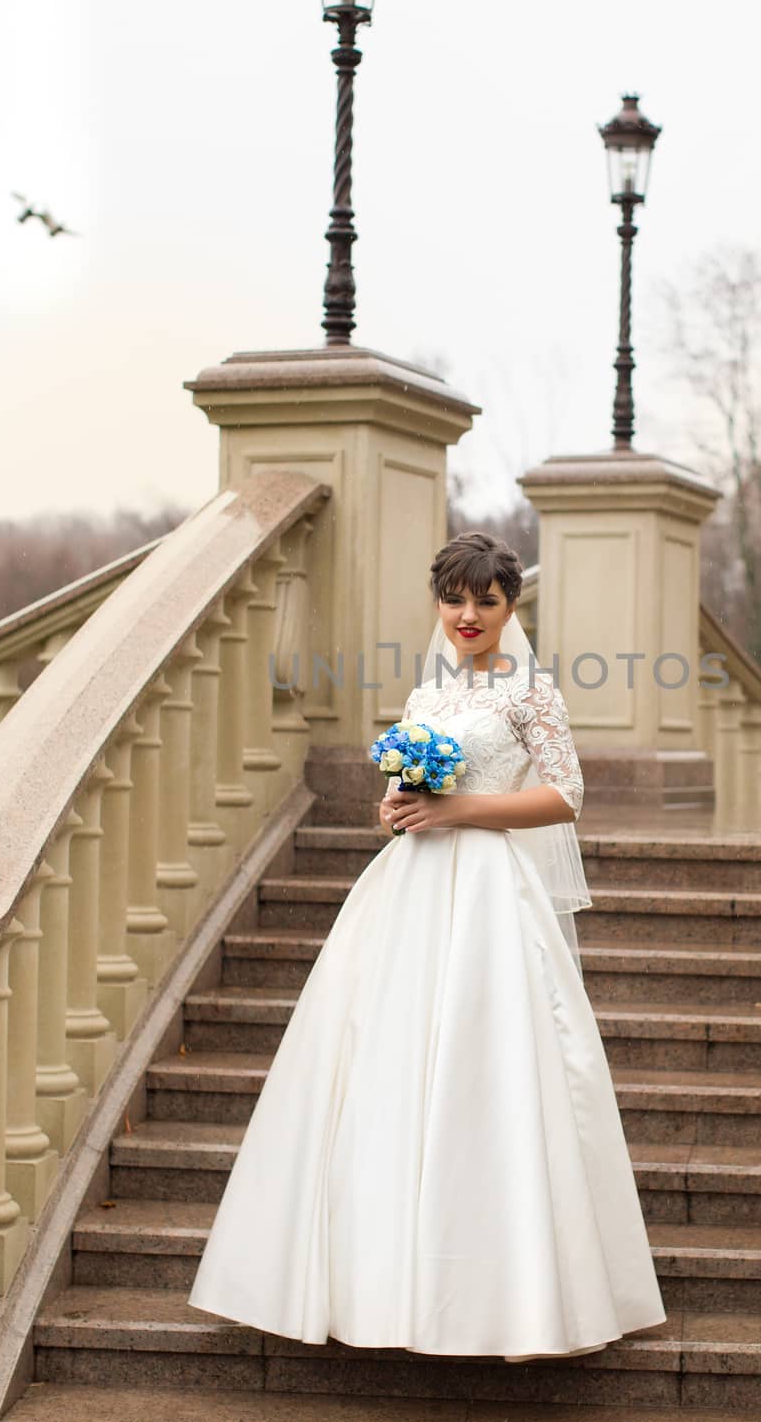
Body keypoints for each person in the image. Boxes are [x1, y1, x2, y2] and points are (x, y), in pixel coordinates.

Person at [187, 530, 666, 1360]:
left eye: (485, 600)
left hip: (487, 893)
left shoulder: (530, 691)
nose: (468, 615)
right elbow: (396, 797)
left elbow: (566, 796)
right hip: (408, 889)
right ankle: (375, 1282)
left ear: (509, 604)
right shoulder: (425, 695)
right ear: (438, 602)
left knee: (489, 1070)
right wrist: (397, 807)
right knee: (382, 1061)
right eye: (454, 598)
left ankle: (500, 1292)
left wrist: (456, 812)